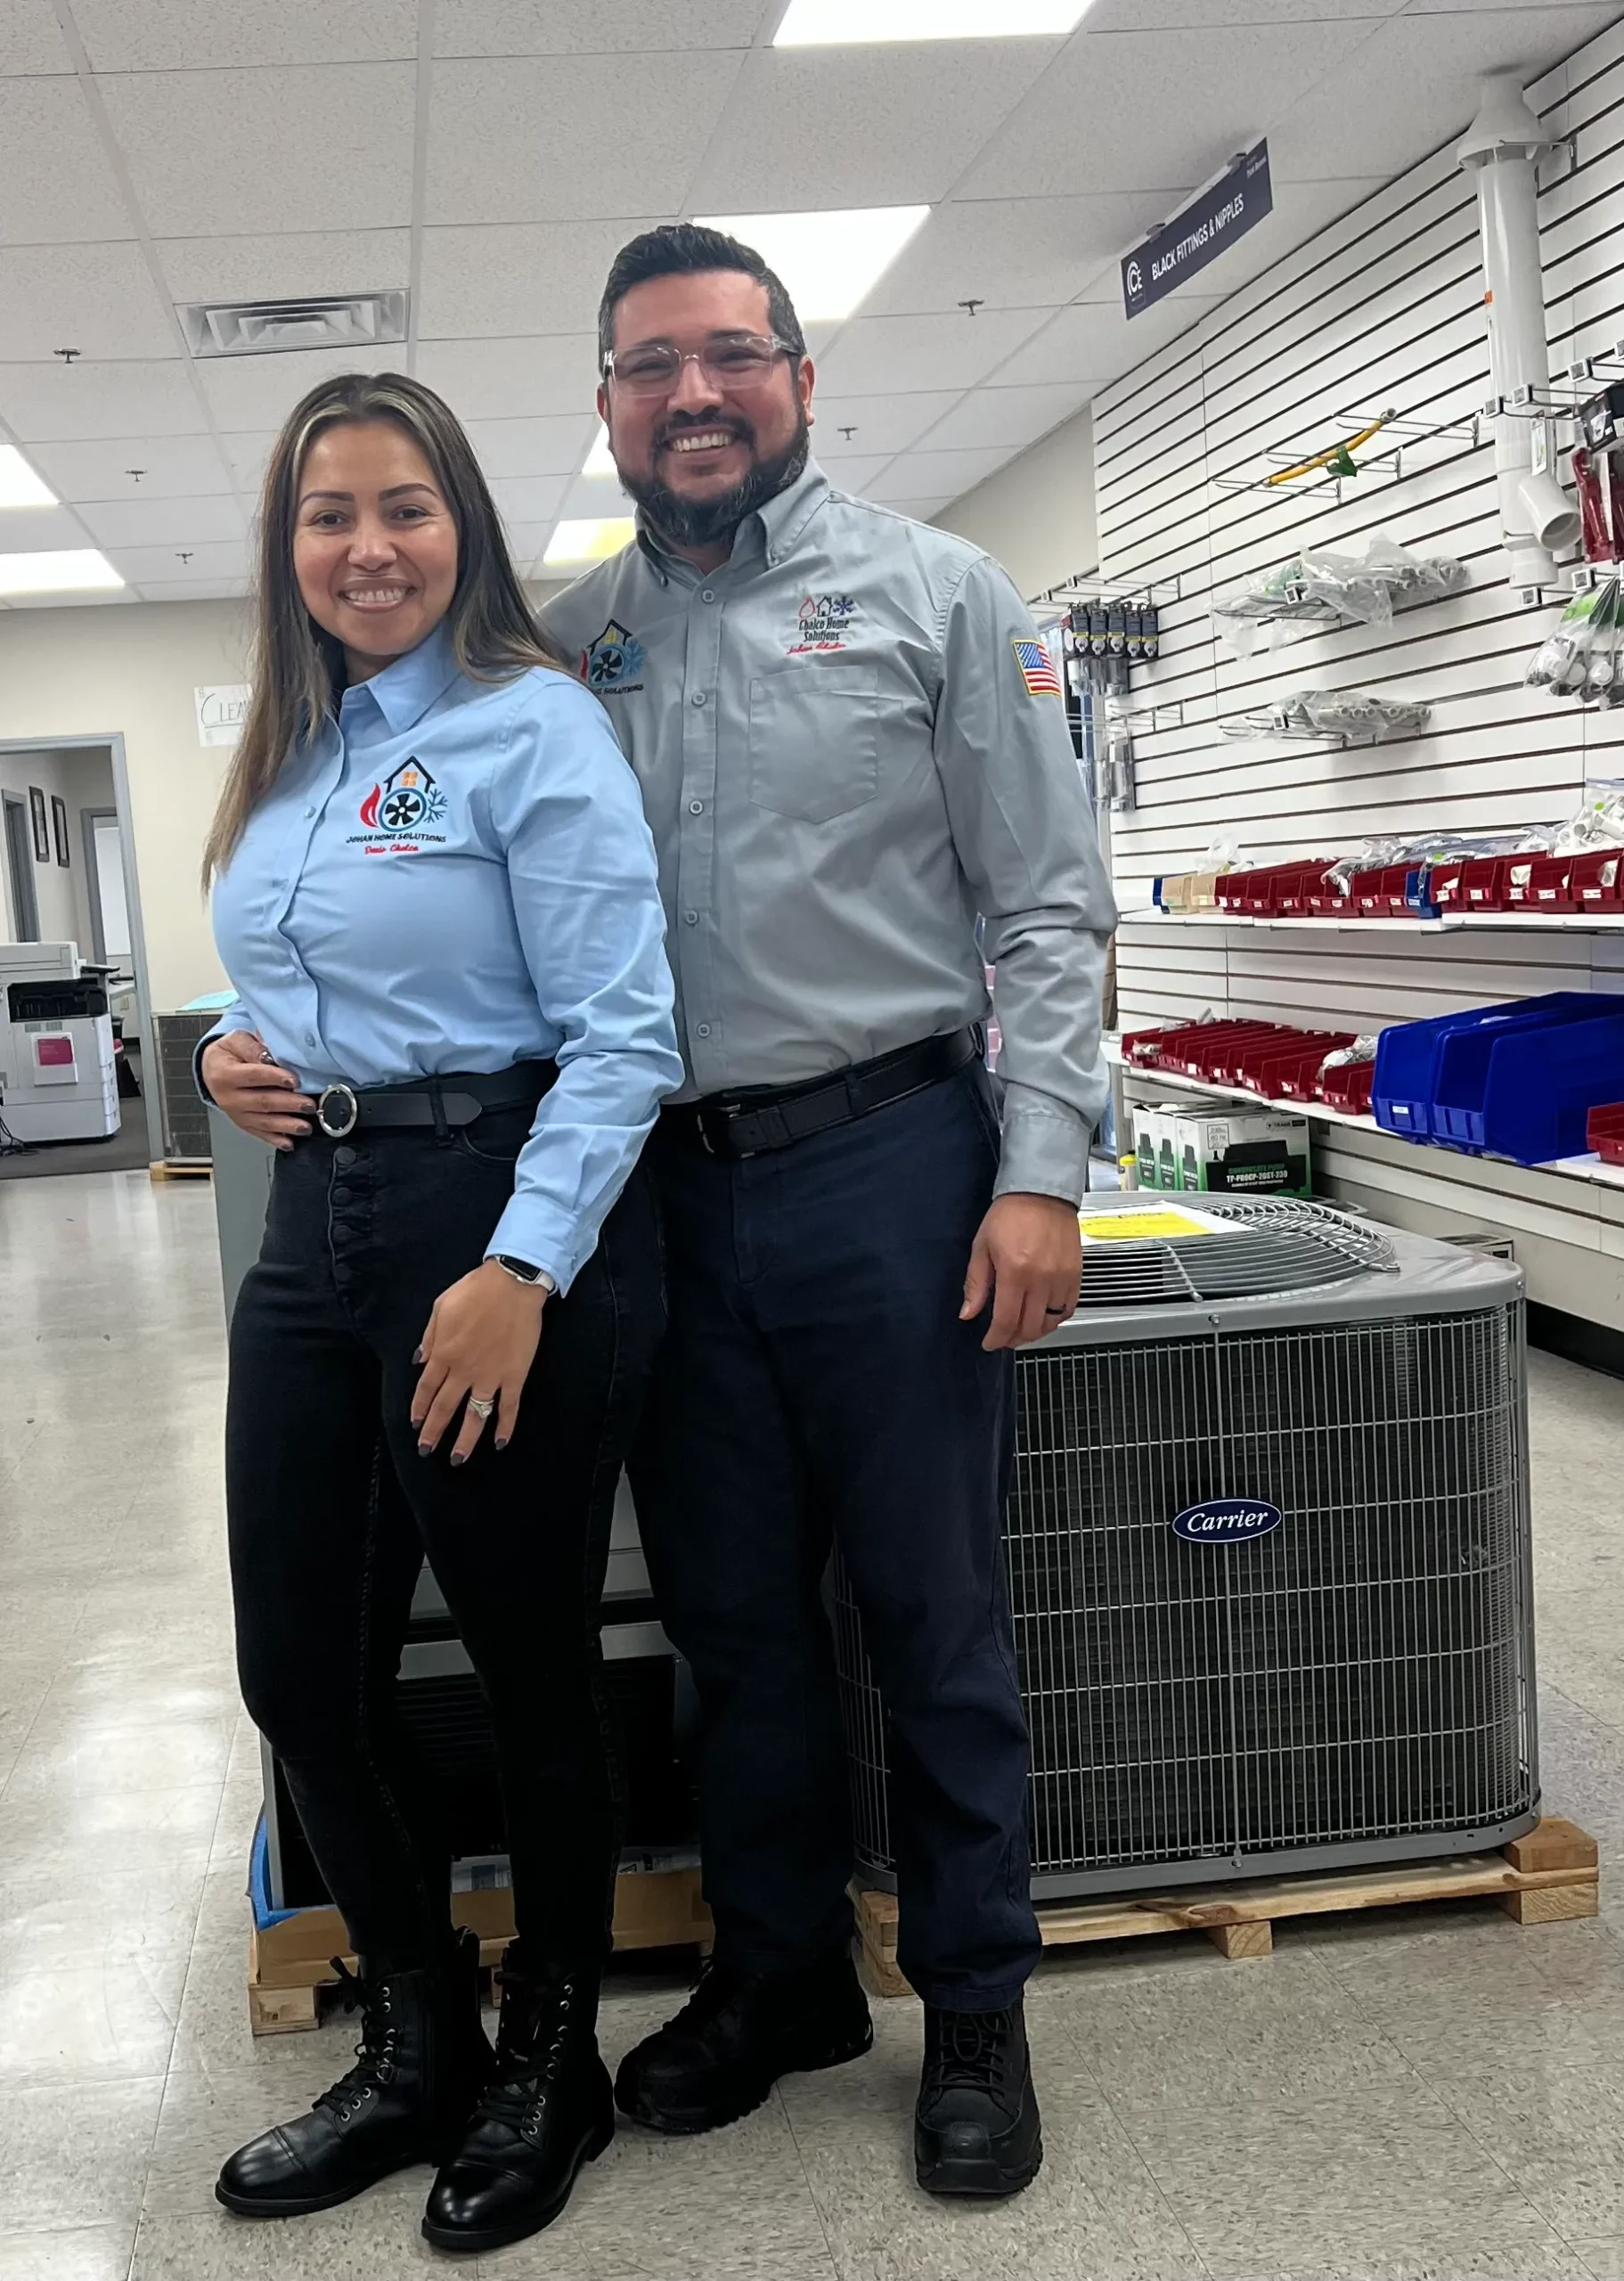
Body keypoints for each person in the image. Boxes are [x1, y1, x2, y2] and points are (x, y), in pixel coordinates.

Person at [541, 225, 1116, 2199]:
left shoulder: (938, 594)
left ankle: (973, 2002)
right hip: (670, 1202)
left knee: (929, 1613)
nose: (692, 394)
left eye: (730, 354)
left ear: (797, 375)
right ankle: (779, 1975)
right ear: (607, 404)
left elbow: (1044, 903)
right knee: (731, 1625)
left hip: (897, 1170)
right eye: (650, 366)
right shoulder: (571, 645)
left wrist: (1038, 1171)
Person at [198, 371, 682, 2255]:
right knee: (300, 1672)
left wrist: (520, 1269)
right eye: (328, 514)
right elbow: (300, 982)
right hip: (314, 1226)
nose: (367, 546)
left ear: (462, 525)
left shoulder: (526, 726)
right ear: (288, 546)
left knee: (523, 1662)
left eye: (403, 506)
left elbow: (624, 1034)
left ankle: (552, 2054)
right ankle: (418, 2040)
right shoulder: (294, 749)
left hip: (495, 1215)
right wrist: (238, 1054)